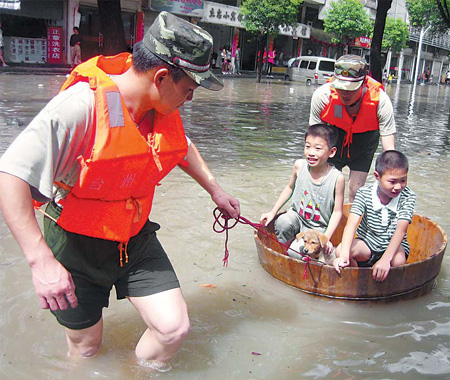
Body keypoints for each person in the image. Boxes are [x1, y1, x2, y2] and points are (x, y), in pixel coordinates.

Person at [0, 12, 240, 371]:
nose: (190, 100)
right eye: (189, 90)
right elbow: (10, 174)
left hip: (134, 237)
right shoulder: (81, 107)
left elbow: (179, 146)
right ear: (161, 77)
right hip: (76, 244)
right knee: (86, 350)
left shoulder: (160, 107)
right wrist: (41, 262)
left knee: (173, 330)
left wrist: (215, 191)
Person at [309, 54, 396, 203]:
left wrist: (392, 177)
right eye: (341, 88)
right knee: (328, 188)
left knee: (355, 191)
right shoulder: (322, 96)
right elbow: (314, 139)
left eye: (351, 89)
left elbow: (389, 149)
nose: (345, 93)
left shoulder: (381, 100)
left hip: (365, 141)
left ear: (363, 82)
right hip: (333, 138)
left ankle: (353, 223)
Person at [260, 124, 345, 259]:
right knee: (282, 222)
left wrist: (326, 237)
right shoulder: (299, 166)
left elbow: (337, 211)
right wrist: (273, 212)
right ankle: (286, 253)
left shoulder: (337, 178)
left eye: (318, 148)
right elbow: (289, 188)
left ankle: (299, 254)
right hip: (297, 218)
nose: (311, 152)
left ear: (331, 152)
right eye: (307, 146)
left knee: (299, 252)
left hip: (319, 227)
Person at [333, 150, 416, 282]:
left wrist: (385, 260)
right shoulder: (364, 193)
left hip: (393, 245)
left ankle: (383, 282)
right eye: (392, 181)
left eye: (403, 180)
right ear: (377, 176)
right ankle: (359, 278)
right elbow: (352, 223)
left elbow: (401, 229)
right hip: (368, 243)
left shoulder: (408, 196)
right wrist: (343, 256)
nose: (398, 187)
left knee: (399, 260)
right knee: (340, 250)